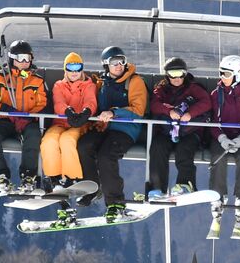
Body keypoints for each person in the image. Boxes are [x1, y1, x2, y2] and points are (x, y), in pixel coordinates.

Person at [77, 46, 148, 221]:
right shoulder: (101, 83)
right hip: (104, 128)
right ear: (105, 65)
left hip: (125, 129)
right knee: (84, 145)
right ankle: (92, 188)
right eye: (114, 62)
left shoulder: (134, 81)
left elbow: (139, 109)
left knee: (106, 156)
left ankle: (116, 202)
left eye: (122, 61)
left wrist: (114, 113)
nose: (119, 65)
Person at [0, 41, 48, 195]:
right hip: (2, 120)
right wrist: (5, 110)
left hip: (26, 122)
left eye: (27, 58)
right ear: (12, 58)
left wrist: (29, 117)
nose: (24, 62)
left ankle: (28, 176)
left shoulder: (37, 81)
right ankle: (0, 175)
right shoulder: (0, 77)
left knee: (33, 133)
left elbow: (43, 103)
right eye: (20, 58)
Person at [206, 55, 240, 240]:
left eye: (227, 73)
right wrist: (221, 138)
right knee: (217, 158)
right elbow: (214, 120)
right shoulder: (216, 94)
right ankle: (218, 196)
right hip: (222, 136)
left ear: (238, 74)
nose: (223, 77)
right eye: (221, 73)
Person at [41, 53, 98, 220]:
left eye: (77, 68)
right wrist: (67, 111)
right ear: (65, 69)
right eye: (70, 68)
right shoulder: (59, 85)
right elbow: (58, 102)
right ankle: (54, 178)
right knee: (49, 141)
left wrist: (86, 112)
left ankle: (71, 177)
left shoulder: (88, 85)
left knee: (67, 141)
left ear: (82, 69)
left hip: (79, 124)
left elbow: (91, 101)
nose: (74, 72)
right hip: (61, 122)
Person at [146, 56, 212, 199]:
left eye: (180, 73)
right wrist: (168, 111)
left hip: (190, 132)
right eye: (172, 74)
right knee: (157, 147)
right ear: (167, 75)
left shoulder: (193, 88)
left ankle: (185, 185)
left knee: (184, 150)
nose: (177, 78)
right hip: (167, 131)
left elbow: (206, 102)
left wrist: (190, 113)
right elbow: (154, 104)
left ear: (185, 74)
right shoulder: (162, 89)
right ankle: (157, 187)